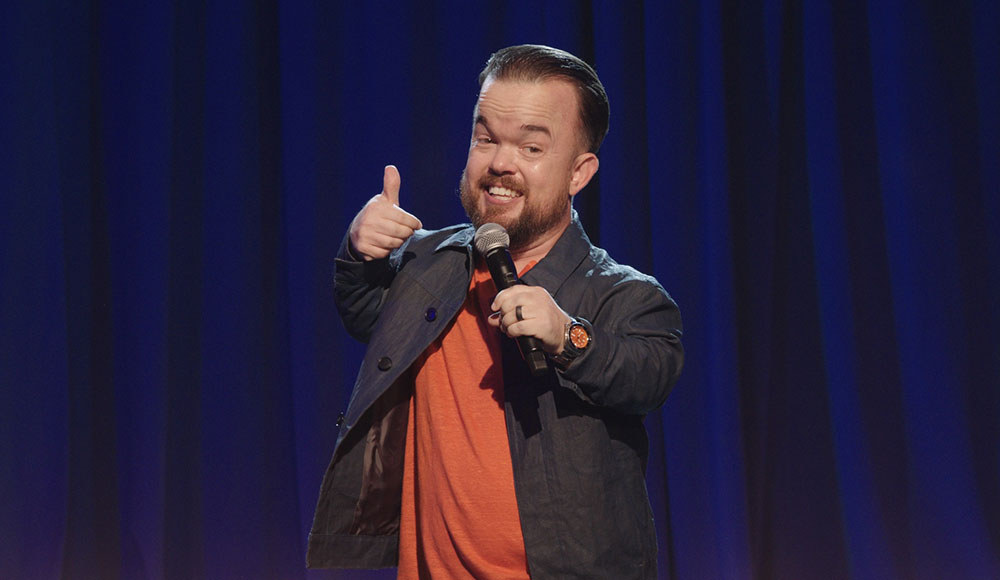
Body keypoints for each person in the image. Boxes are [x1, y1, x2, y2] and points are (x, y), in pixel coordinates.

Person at [307, 44, 684, 579]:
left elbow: (648, 374)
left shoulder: (625, 294)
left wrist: (569, 335)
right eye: (485, 139)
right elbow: (364, 313)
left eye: (531, 147)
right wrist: (359, 250)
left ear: (578, 173)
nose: (500, 163)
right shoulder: (427, 261)